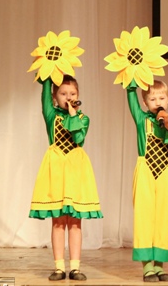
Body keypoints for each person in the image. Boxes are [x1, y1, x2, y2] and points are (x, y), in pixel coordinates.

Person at [29, 75, 103, 281]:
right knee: (58, 221)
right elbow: (44, 96)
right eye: (63, 93)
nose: (68, 97)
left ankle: (76, 267)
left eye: (72, 94)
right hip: (56, 170)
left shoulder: (83, 119)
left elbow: (78, 137)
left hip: (76, 170)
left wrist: (73, 115)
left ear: (78, 96)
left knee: (75, 222)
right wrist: (47, 75)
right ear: (55, 97)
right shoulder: (51, 115)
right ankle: (59, 267)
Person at [126, 80, 168, 282]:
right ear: (145, 102)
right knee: (144, 217)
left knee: (164, 217)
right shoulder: (141, 119)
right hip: (146, 171)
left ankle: (160, 265)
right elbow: (130, 93)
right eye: (152, 99)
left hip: (167, 172)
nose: (157, 102)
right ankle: (147, 266)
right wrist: (133, 75)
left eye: (161, 98)